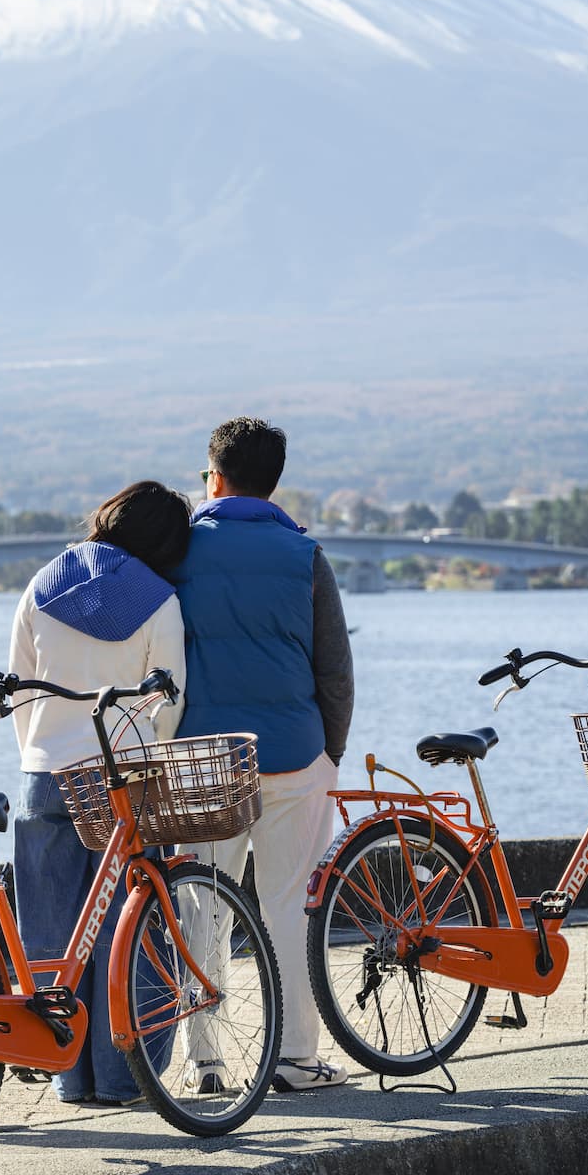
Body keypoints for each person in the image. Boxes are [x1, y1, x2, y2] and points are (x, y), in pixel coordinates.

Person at [170, 417, 354, 1093]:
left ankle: (208, 1064)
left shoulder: (180, 549)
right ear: (273, 481)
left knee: (201, 910)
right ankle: (295, 1060)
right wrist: (328, 752)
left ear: (214, 477)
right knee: (288, 909)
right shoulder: (305, 556)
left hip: (201, 763)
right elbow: (334, 671)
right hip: (293, 754)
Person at [8, 480, 191, 1105]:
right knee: (128, 930)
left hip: (43, 775)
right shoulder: (159, 599)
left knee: (53, 932)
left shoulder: (41, 583)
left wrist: (38, 755)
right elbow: (169, 700)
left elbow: (20, 686)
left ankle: (69, 1075)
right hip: (123, 780)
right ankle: (124, 1078)